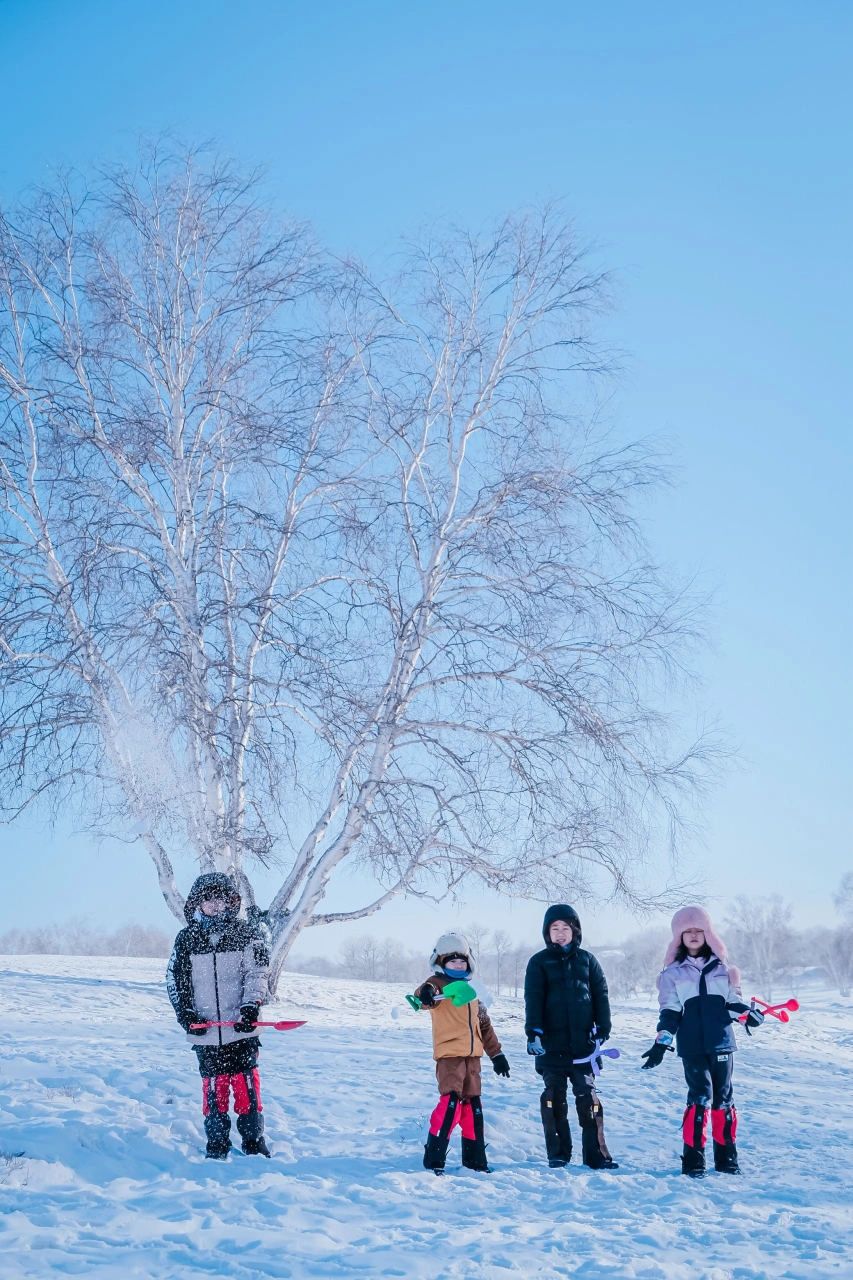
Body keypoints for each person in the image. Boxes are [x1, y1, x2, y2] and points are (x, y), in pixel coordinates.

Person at [641, 905, 763, 1177]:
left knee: (723, 1099)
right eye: (688, 932)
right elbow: (670, 1012)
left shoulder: (725, 970)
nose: (694, 935)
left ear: (708, 934)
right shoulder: (671, 975)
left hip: (722, 1043)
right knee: (699, 1097)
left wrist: (749, 1016)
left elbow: (733, 1005)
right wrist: (662, 1042)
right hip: (692, 1047)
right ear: (679, 938)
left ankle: (727, 1159)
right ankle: (694, 1161)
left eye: (699, 930)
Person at [166, 872, 271, 1159]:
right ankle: (217, 1143)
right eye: (208, 900)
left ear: (231, 903)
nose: (215, 905)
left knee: (245, 1084)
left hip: (241, 1030)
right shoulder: (187, 939)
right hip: (207, 1032)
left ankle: (253, 1141)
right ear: (198, 904)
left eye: (222, 900)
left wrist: (251, 1007)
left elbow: (257, 973)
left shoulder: (246, 933)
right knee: (215, 1090)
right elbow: (176, 980)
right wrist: (186, 1015)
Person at [524, 904, 618, 1170]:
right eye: (555, 929)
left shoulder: (588, 961)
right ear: (547, 932)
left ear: (575, 931)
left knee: (589, 1100)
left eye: (566, 928)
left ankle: (596, 1155)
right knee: (553, 1099)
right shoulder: (538, 962)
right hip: (551, 1047)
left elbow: (601, 995)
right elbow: (533, 999)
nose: (561, 933)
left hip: (583, 1047)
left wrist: (604, 1026)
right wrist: (534, 1033)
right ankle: (558, 1153)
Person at [414, 932, 510, 1174]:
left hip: (473, 1059)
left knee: (472, 1108)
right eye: (452, 961)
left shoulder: (471, 993)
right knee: (451, 1104)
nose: (458, 965)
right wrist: (425, 994)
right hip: (450, 1058)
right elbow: (423, 997)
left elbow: (485, 1026)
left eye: (462, 961)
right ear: (441, 963)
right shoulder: (437, 985)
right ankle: (434, 1157)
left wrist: (497, 1055)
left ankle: (475, 1160)